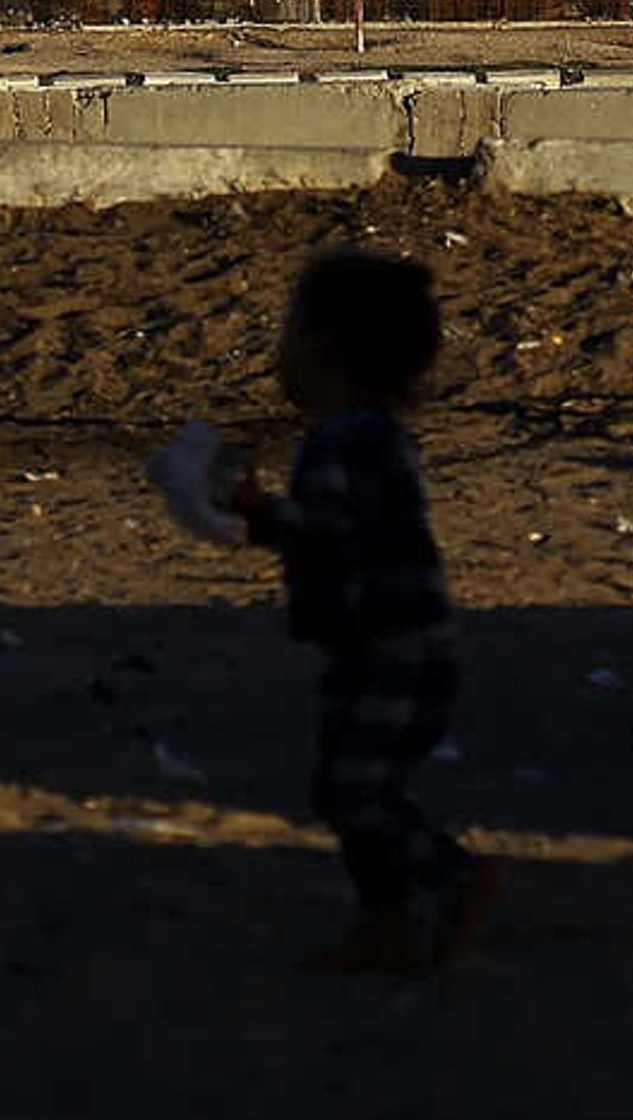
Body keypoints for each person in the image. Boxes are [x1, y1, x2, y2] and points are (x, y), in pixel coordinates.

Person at [227, 246, 492, 973]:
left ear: (323, 349)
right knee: (351, 785)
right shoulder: (376, 438)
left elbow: (331, 536)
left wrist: (255, 511)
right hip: (390, 642)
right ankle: (385, 924)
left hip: (389, 645)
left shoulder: (338, 444)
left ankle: (453, 879)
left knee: (355, 789)